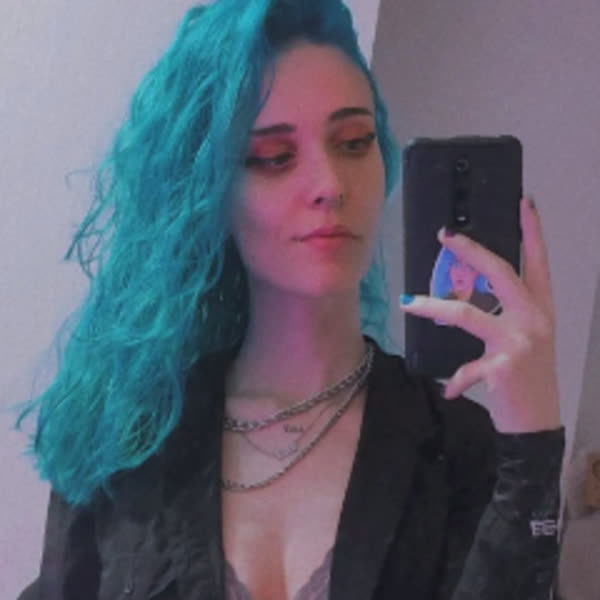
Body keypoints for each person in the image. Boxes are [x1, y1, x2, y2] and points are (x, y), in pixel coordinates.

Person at [15, 1, 565, 599]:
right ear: (210, 192)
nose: (330, 184)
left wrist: (532, 436)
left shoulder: (457, 447)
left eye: (353, 142)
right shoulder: (131, 436)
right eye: (274, 157)